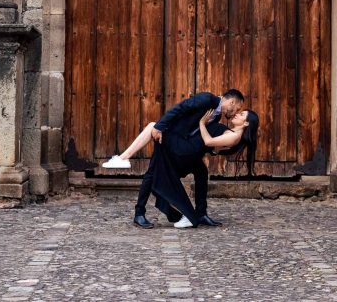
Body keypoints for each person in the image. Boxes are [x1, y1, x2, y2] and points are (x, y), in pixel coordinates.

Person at [101, 89, 245, 228]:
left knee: (201, 171)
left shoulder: (217, 115)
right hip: (170, 138)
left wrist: (213, 150)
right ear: (232, 102)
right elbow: (180, 108)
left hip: (184, 146)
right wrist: (160, 127)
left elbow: (201, 136)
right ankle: (139, 212)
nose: (235, 113)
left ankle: (201, 213)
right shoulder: (207, 99)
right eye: (237, 109)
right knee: (152, 168)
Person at [149, 108, 260, 228]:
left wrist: (202, 123)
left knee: (162, 179)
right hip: (192, 153)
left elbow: (208, 141)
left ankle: (189, 215)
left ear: (246, 123)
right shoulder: (232, 133)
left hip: (188, 152)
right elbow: (214, 150)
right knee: (201, 173)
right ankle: (200, 213)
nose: (237, 114)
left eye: (242, 114)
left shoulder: (234, 136)